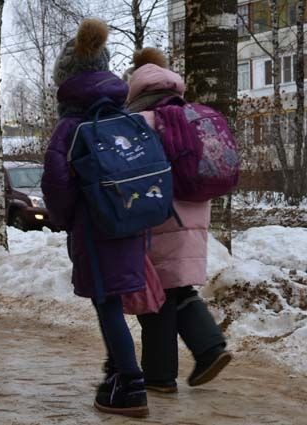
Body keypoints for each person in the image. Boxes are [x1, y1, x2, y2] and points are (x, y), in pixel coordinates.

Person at [42, 19, 149, 418]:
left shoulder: (70, 127)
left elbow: (55, 186)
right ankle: (117, 374)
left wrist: (69, 218)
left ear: (65, 79)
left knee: (106, 303)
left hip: (95, 229)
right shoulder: (127, 118)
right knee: (114, 300)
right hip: (133, 225)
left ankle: (132, 383)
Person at [125, 48, 232, 392]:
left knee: (155, 295)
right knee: (178, 287)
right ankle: (210, 348)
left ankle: (159, 377)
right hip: (195, 210)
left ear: (136, 84)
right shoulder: (191, 116)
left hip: (157, 216)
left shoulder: (138, 124)